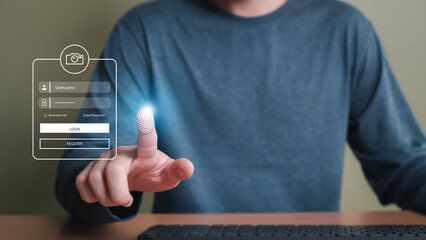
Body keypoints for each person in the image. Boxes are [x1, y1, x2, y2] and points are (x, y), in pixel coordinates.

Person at [56, 0, 426, 224]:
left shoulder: (347, 29)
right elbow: (79, 173)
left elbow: (404, 165)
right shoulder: (143, 30)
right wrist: (110, 180)